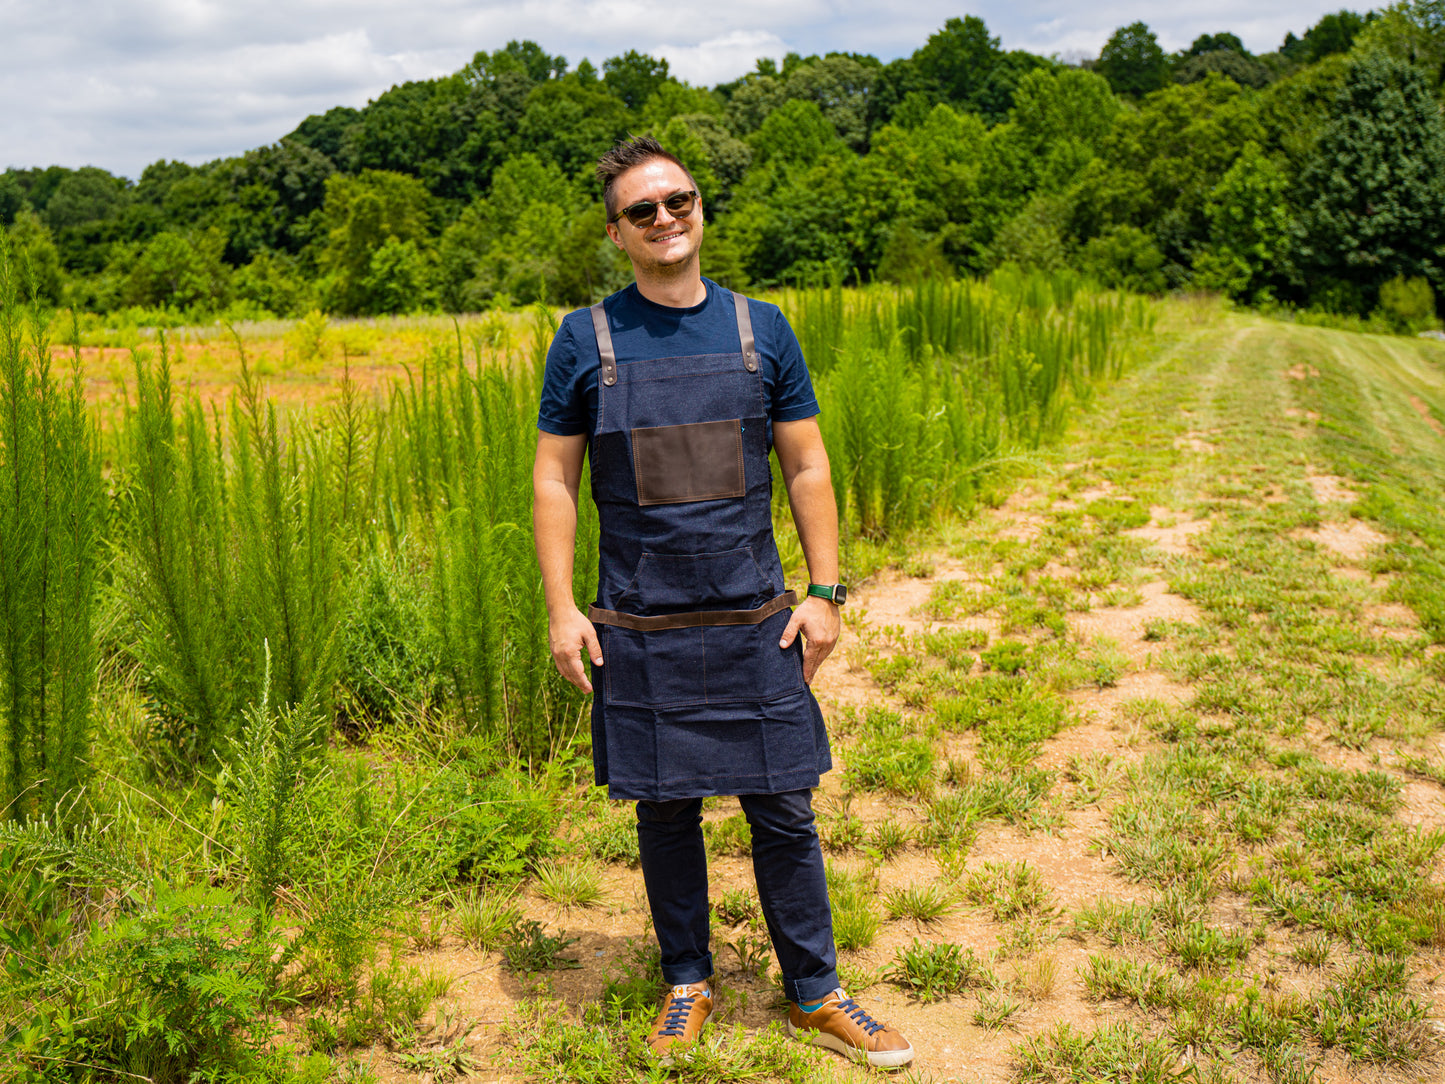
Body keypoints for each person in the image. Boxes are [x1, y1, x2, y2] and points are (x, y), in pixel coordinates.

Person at [531, 135, 913, 1069]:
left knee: (783, 805)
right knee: (663, 809)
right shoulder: (586, 338)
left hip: (754, 617)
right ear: (615, 232)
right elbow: (552, 480)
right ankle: (685, 982)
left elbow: (807, 462)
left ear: (701, 208)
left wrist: (825, 592)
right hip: (639, 622)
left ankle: (817, 993)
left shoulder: (761, 327)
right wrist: (561, 608)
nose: (666, 219)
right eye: (642, 211)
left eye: (679, 200)